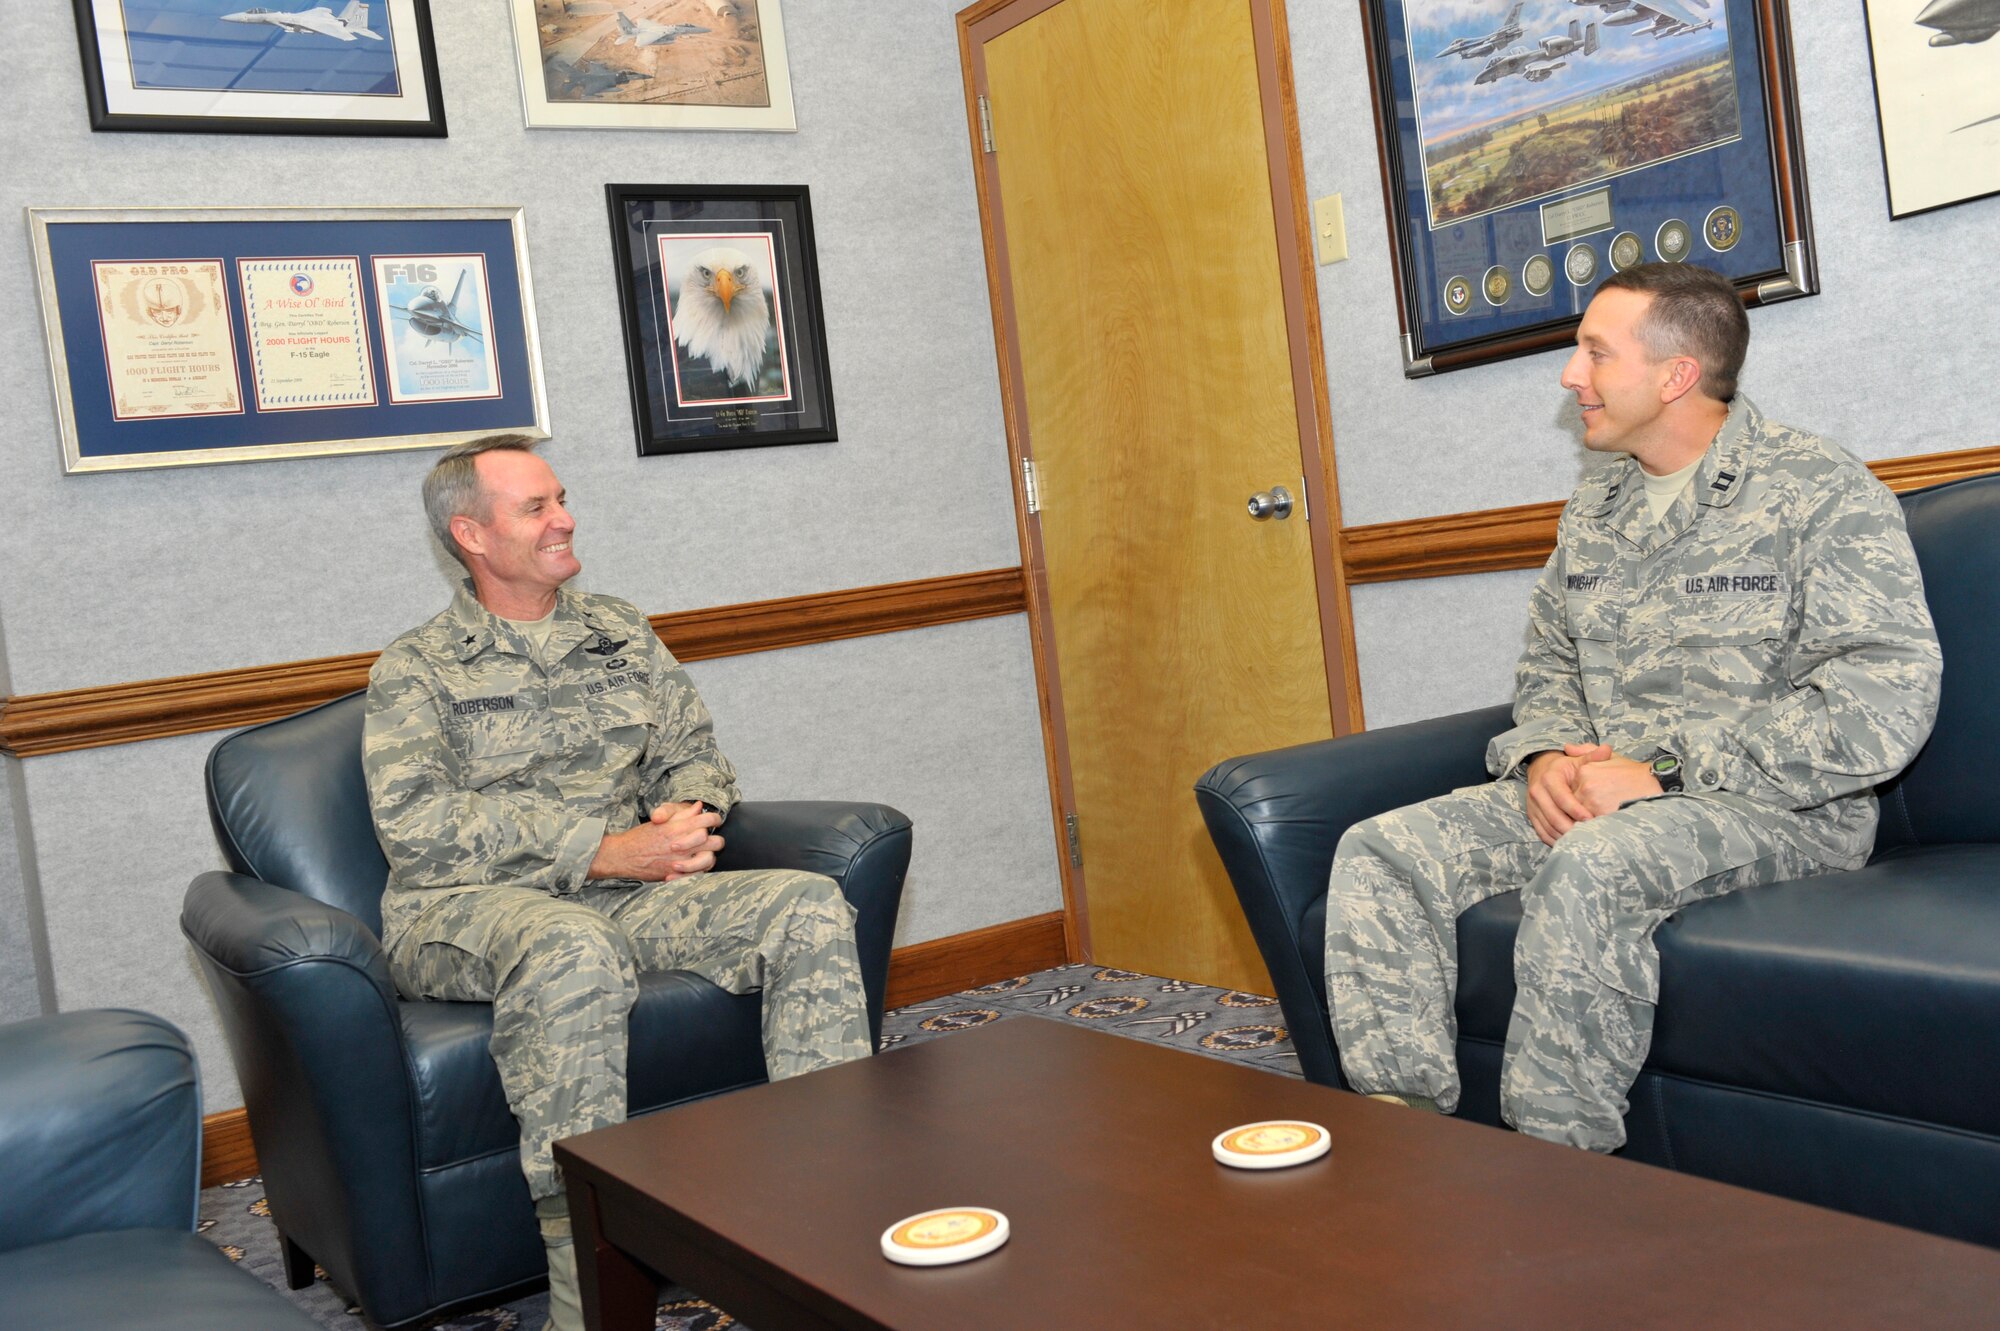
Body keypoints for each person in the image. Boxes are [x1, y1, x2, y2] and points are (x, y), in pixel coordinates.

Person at [1324, 264, 1942, 1152]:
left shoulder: (1818, 491)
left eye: (1594, 351)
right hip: (1600, 787)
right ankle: (1410, 1146)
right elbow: (1549, 662)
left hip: (1778, 808)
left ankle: (1560, 1171)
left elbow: (1883, 702)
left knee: (1599, 862)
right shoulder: (1597, 504)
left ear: (1675, 374)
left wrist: (1662, 770)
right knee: (1380, 850)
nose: (1570, 375)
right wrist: (1541, 757)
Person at [363, 434, 871, 1331]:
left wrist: (683, 815)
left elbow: (695, 753)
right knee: (570, 948)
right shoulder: (418, 667)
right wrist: (601, 849)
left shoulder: (619, 631)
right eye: (536, 508)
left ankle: (828, 1223)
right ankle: (586, 1297)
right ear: (471, 535)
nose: (565, 518)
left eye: (561, 498)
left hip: (631, 898)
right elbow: (419, 832)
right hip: (464, 913)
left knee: (805, 905)